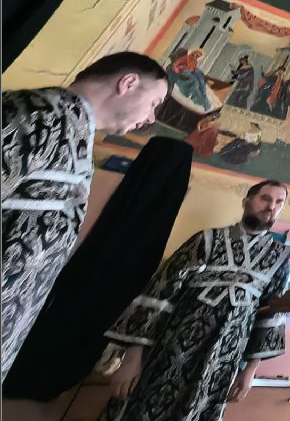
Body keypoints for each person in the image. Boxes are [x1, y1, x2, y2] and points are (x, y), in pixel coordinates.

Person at [32, 181, 290, 421]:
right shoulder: (206, 240)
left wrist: (249, 371)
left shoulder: (280, 258)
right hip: (166, 359)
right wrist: (132, 357)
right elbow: (159, 294)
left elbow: (271, 315)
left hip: (219, 371)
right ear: (248, 200)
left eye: (279, 202)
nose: (271, 207)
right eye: (265, 198)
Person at [2, 53, 170, 382]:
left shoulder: (76, 131)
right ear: (128, 83)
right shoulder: (37, 113)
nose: (151, 117)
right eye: (154, 103)